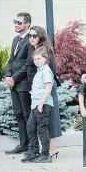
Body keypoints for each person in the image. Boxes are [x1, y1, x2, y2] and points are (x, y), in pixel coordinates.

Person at [26, 26, 62, 158]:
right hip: (36, 91)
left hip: (46, 90)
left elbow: (50, 71)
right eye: (30, 36)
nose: (31, 38)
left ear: (40, 36)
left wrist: (43, 94)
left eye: (34, 35)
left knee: (49, 120)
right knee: (35, 123)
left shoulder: (46, 51)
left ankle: (51, 150)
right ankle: (38, 150)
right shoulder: (33, 49)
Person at [5, 12, 34, 154]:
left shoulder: (31, 39)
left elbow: (28, 64)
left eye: (19, 23)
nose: (16, 25)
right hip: (14, 83)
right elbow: (11, 60)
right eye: (15, 22)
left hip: (24, 83)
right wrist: (7, 76)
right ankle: (23, 144)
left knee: (27, 114)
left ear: (27, 24)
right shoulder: (15, 40)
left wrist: (14, 78)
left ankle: (31, 146)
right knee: (18, 114)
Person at [21, 47, 54, 163]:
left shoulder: (46, 71)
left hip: (43, 104)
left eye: (38, 59)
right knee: (30, 127)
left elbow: (48, 88)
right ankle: (33, 152)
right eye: (34, 59)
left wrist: (41, 103)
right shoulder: (39, 71)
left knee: (42, 129)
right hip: (35, 105)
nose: (36, 61)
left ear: (45, 59)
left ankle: (45, 155)